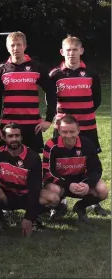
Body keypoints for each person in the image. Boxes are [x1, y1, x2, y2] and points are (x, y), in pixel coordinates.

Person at [49, 35, 107, 216]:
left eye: (75, 50)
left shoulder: (91, 73)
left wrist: (83, 116)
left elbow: (96, 100)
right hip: (62, 129)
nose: (71, 53)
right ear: (62, 52)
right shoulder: (54, 75)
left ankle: (91, 202)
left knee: (91, 162)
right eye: (68, 50)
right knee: (59, 163)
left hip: (88, 127)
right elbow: (50, 102)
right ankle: (61, 201)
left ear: (81, 51)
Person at [0, 123, 59, 237]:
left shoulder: (33, 157)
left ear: (22, 137)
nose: (14, 139)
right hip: (6, 196)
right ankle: (0, 220)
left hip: (27, 196)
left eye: (17, 136)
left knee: (53, 198)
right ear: (4, 138)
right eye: (10, 136)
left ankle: (34, 218)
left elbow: (35, 190)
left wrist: (28, 218)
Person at [0, 31, 56, 153]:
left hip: (32, 125)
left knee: (33, 163)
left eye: (19, 44)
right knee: (6, 162)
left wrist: (48, 119)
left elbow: (51, 92)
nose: (15, 48)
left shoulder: (37, 67)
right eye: (12, 45)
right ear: (7, 47)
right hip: (8, 125)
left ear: (24, 46)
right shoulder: (2, 70)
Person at [42, 115, 108, 223]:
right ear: (58, 130)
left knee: (102, 190)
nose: (68, 135)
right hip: (60, 183)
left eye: (72, 131)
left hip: (80, 182)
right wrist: (68, 185)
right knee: (53, 191)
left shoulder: (87, 144)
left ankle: (80, 207)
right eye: (64, 131)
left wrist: (88, 184)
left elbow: (96, 169)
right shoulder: (51, 145)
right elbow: (47, 172)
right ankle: (58, 207)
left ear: (78, 130)